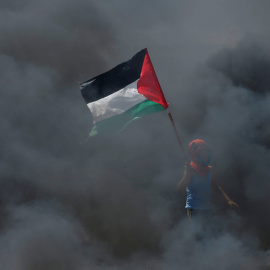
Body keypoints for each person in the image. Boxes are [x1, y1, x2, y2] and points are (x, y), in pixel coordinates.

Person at [177, 139, 239, 220]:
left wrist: (228, 200)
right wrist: (188, 176)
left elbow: (215, 186)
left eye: (207, 151)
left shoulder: (209, 169)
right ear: (195, 153)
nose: (206, 154)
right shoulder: (190, 169)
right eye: (202, 151)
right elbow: (180, 189)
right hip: (193, 209)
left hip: (206, 208)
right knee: (196, 231)